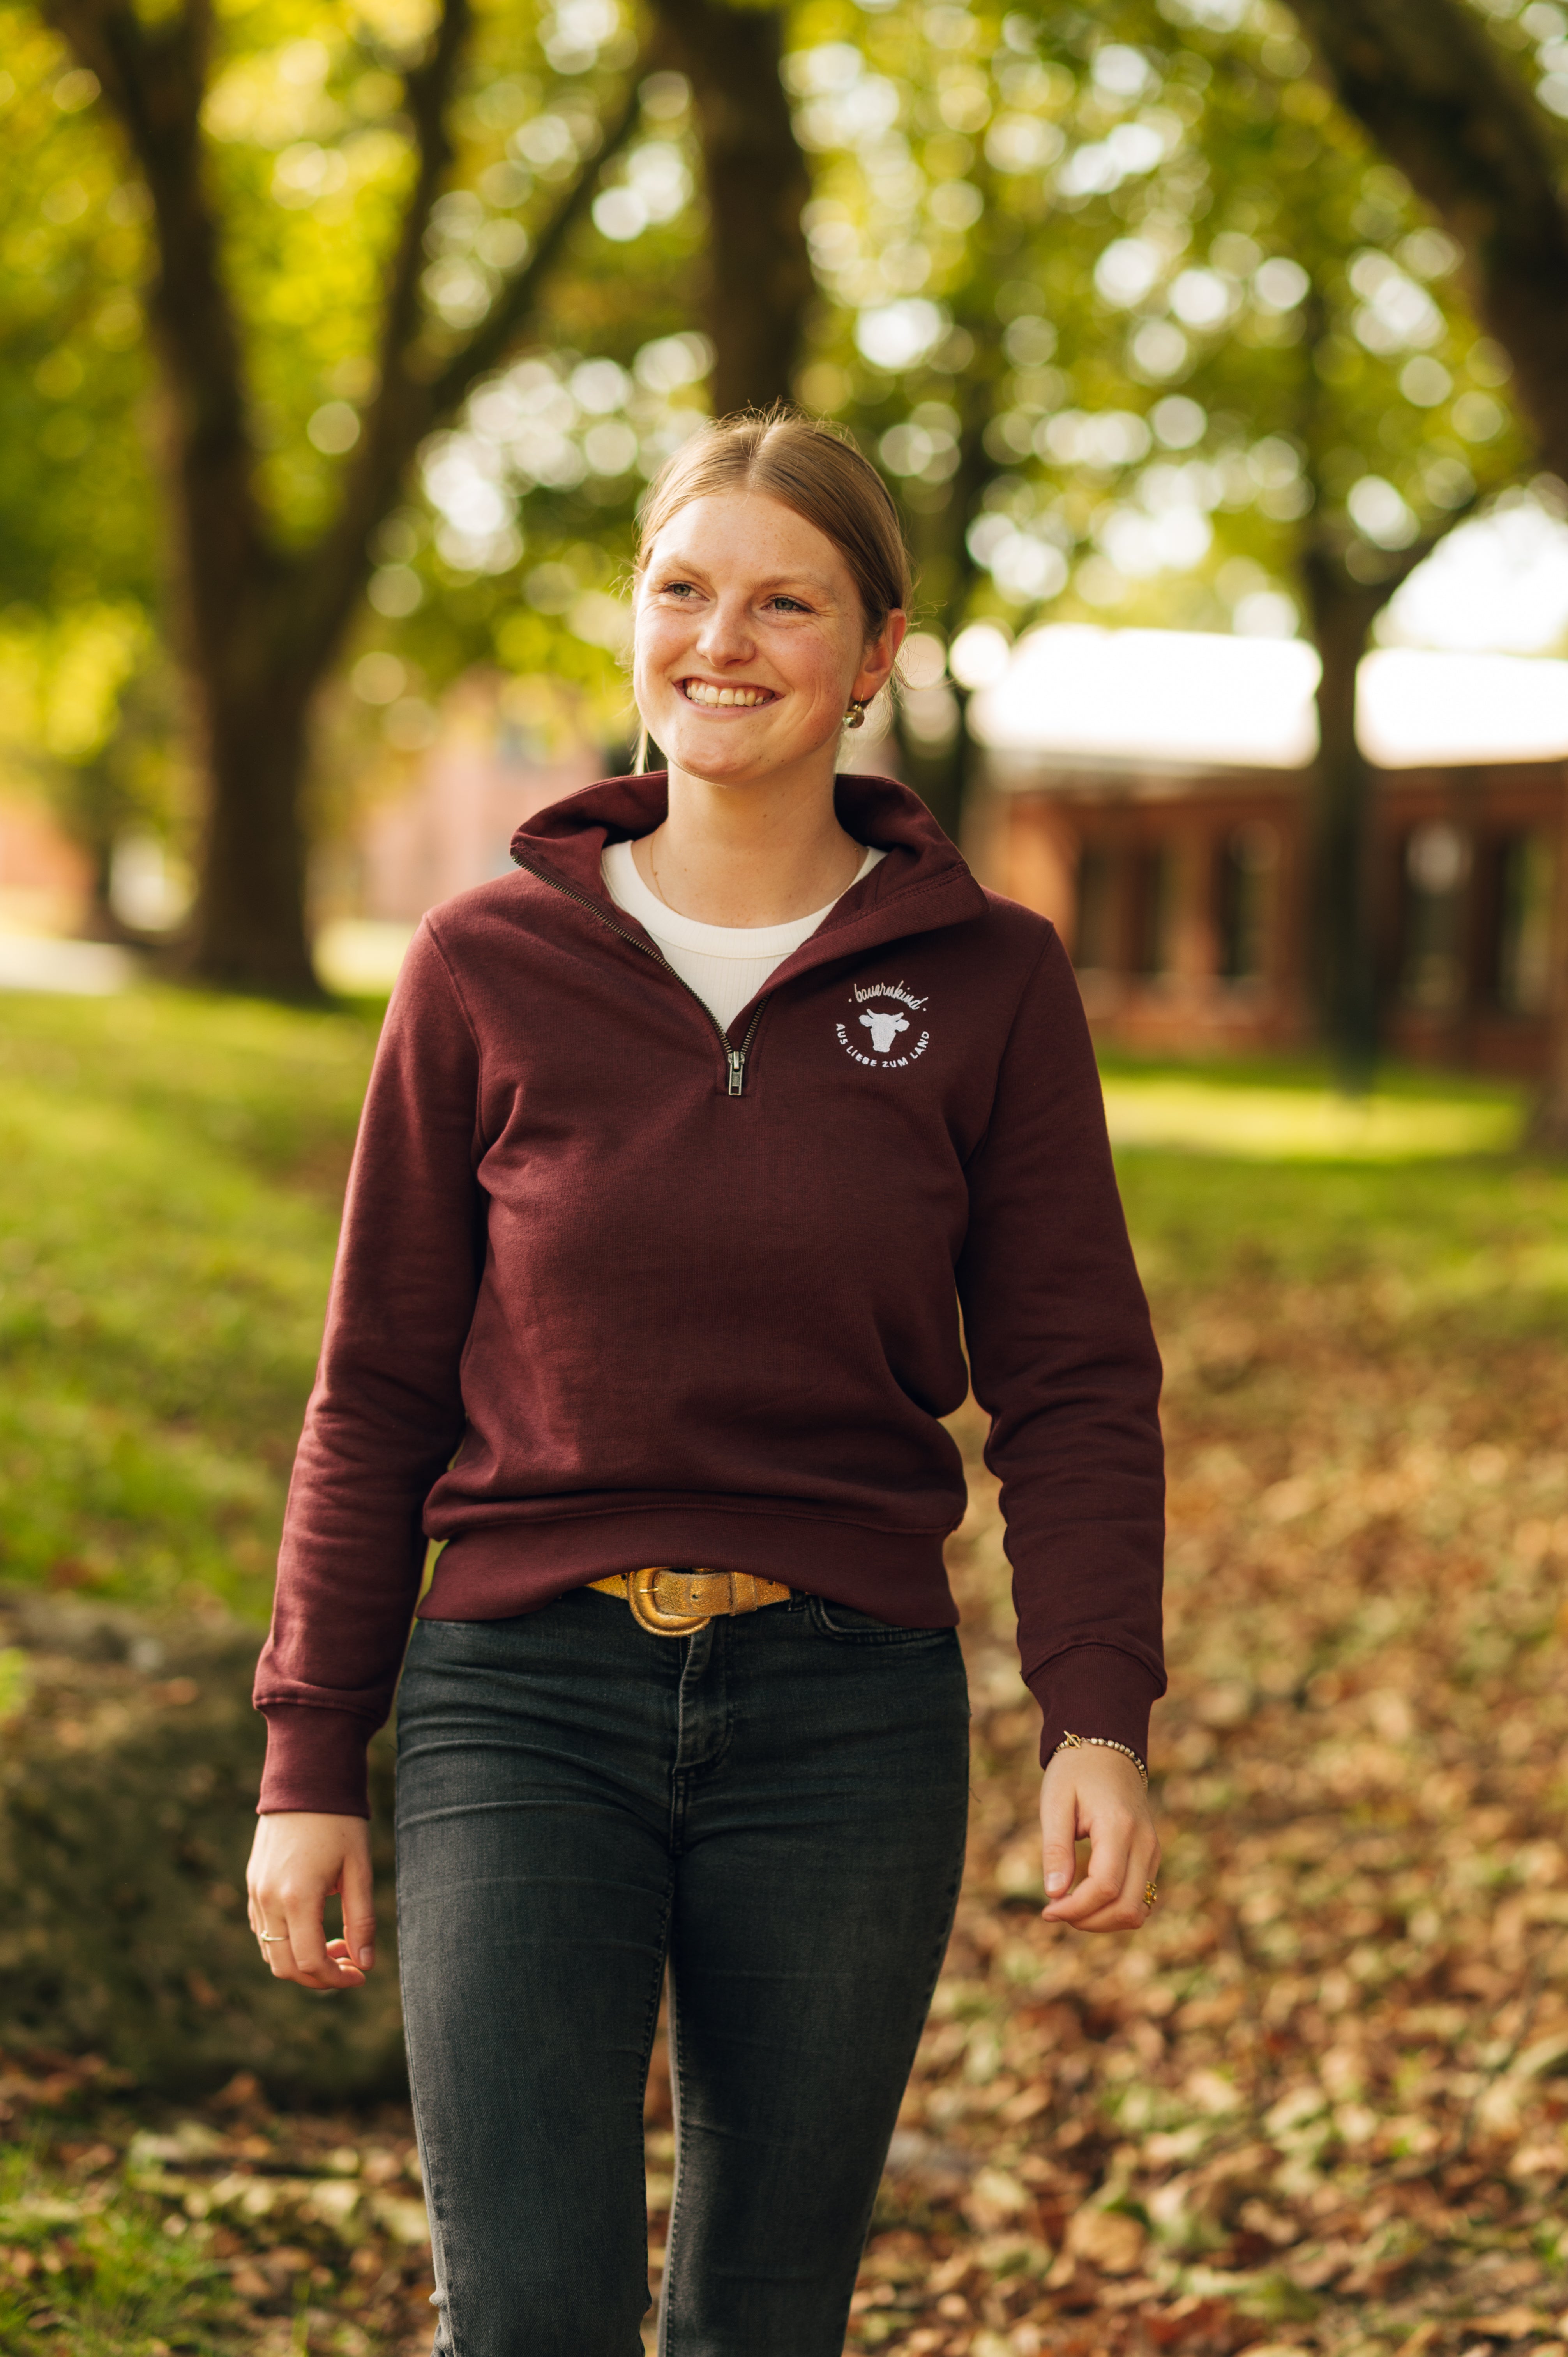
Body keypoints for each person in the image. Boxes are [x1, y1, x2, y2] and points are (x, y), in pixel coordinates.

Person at [246, 408, 1165, 2357]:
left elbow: (1076, 1379)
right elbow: (376, 1388)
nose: (719, 640)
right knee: (531, 2315)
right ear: (631, 620)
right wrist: (307, 1753)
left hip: (849, 1716)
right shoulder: (484, 962)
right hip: (523, 1695)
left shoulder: (989, 980)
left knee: (764, 2319)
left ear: (875, 653)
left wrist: (1096, 1713)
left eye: (783, 601)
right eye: (681, 589)